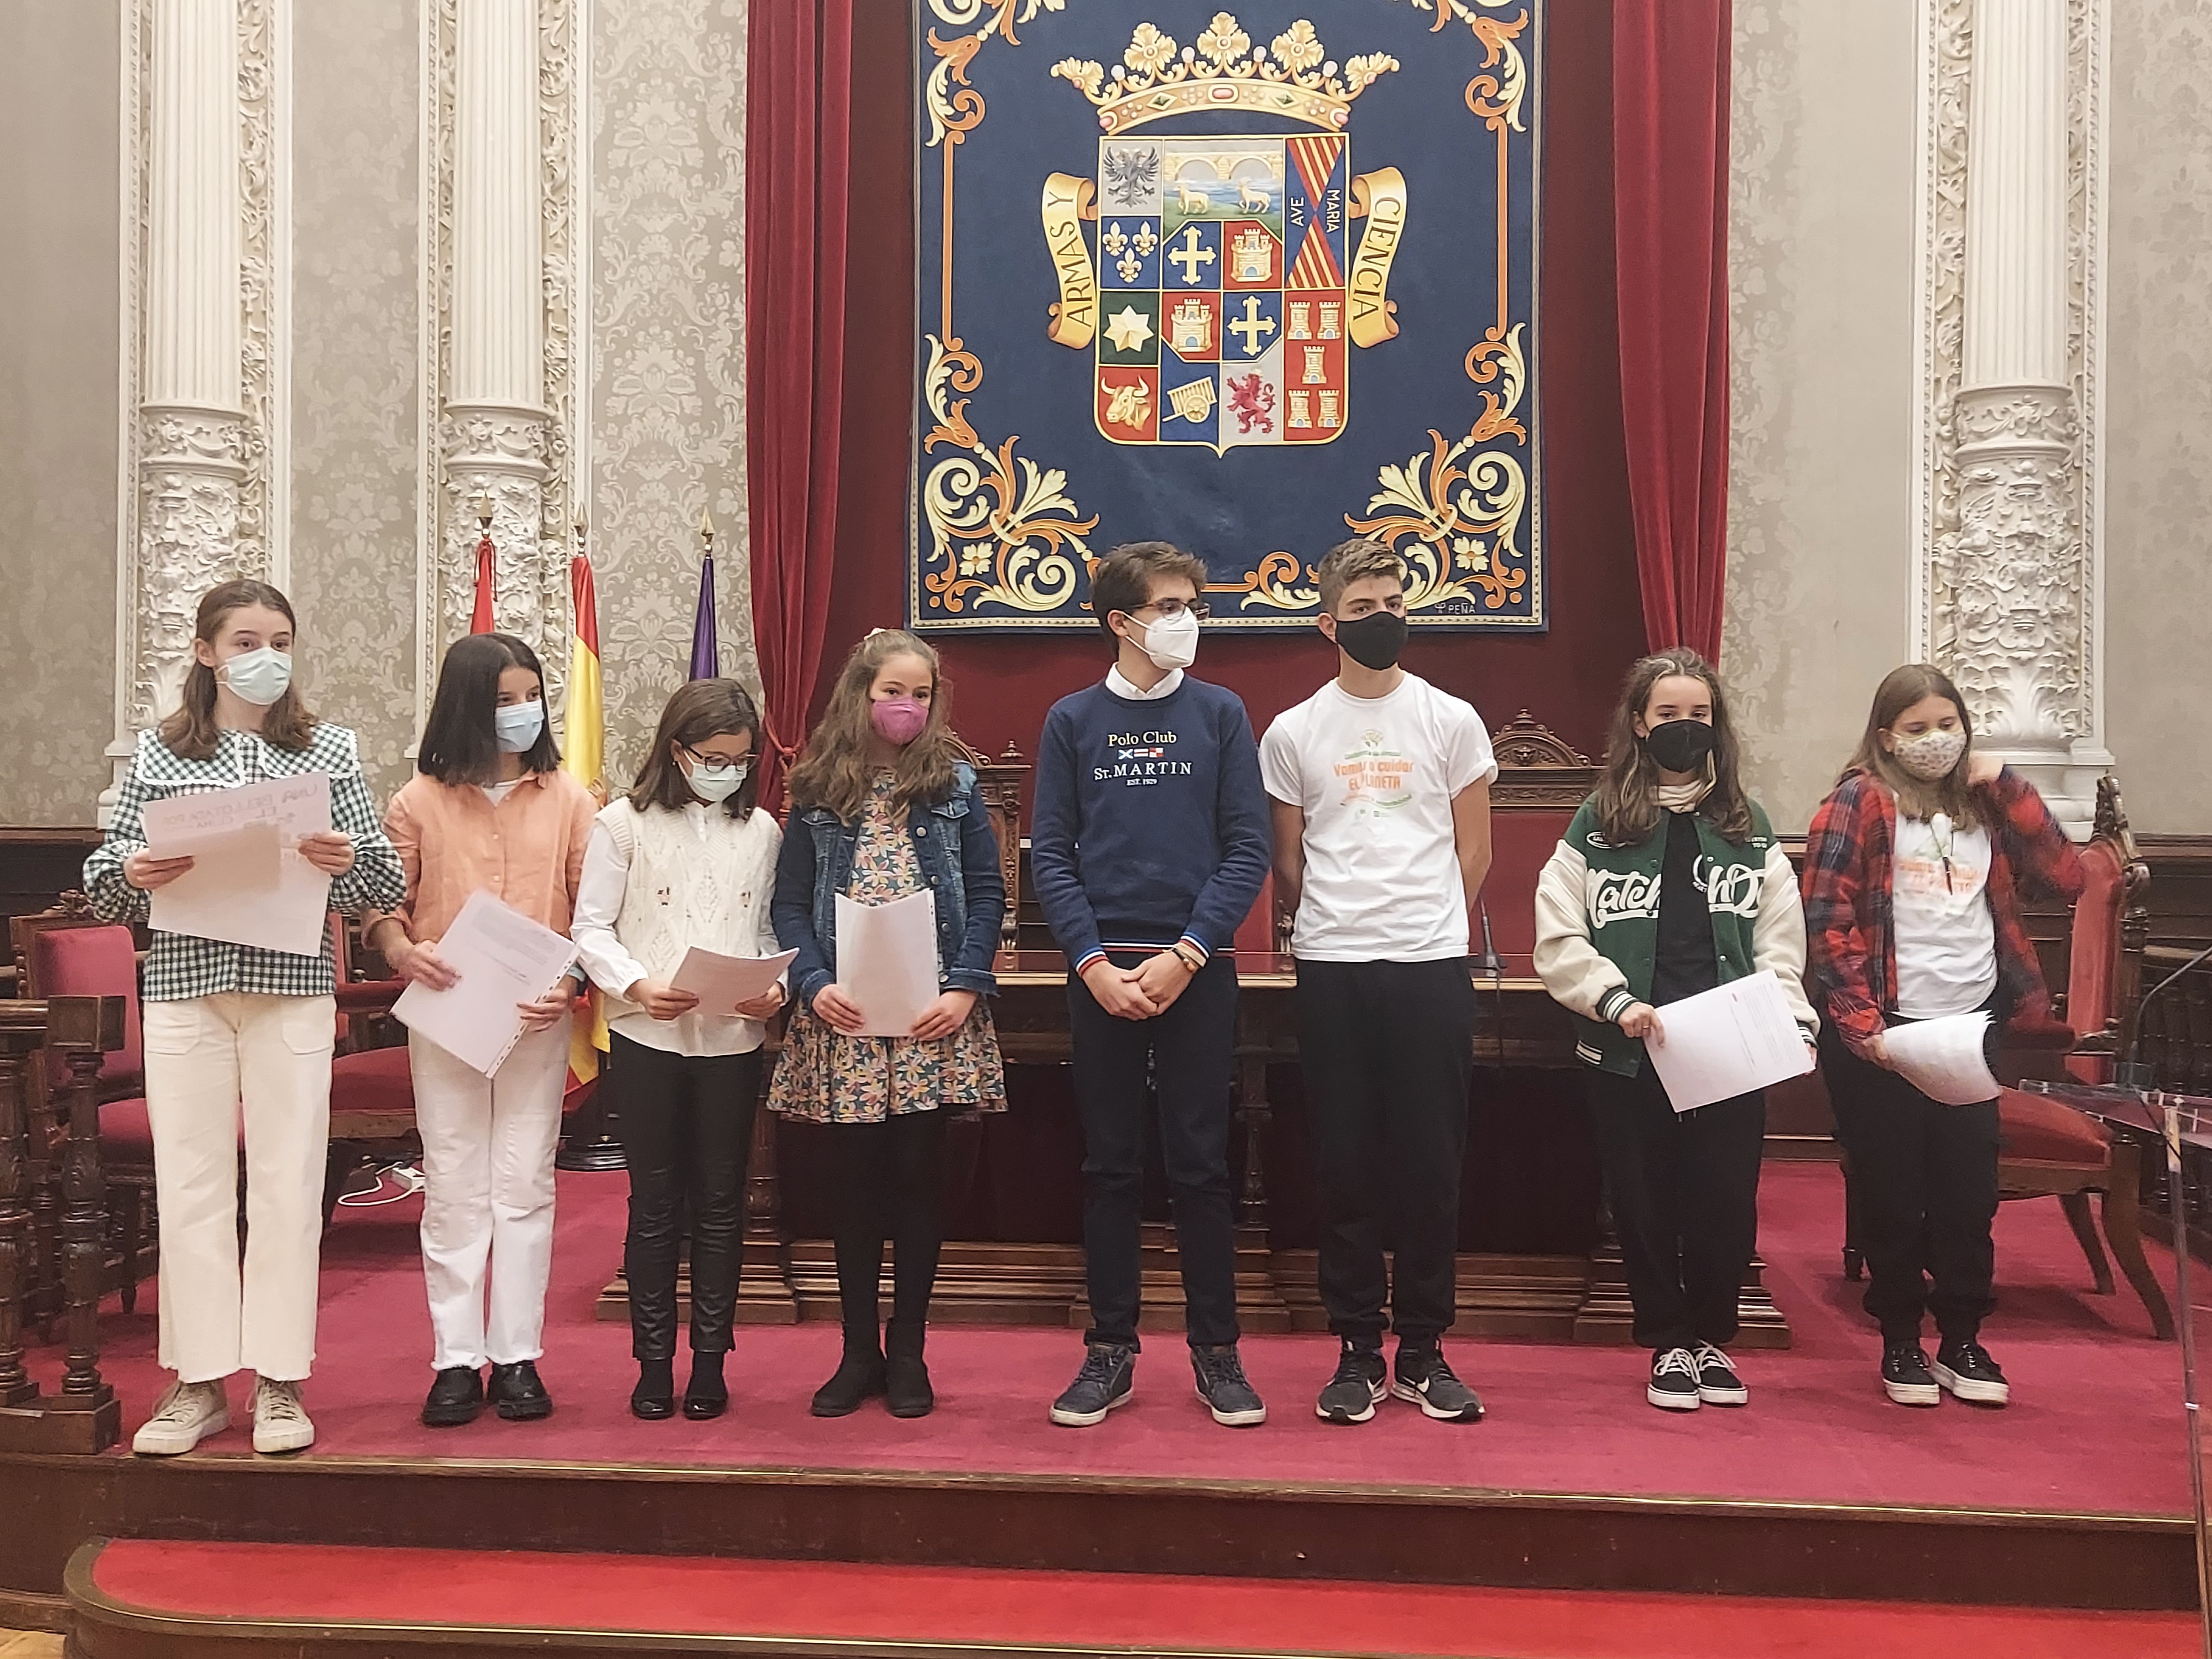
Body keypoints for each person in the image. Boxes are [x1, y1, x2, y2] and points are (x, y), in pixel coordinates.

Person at [86, 579, 404, 1457]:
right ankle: (197, 1383)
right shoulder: (161, 752)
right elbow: (105, 877)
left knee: (288, 1183)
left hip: (289, 984)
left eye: (280, 642)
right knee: (190, 1183)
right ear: (206, 653)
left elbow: (383, 879)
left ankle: (279, 1380)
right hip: (186, 984)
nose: (266, 658)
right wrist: (135, 871)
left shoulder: (327, 748)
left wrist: (345, 857)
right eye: (246, 642)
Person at [1533, 648, 1816, 1412]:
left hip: (1731, 1047)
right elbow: (1559, 933)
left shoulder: (1748, 825)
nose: (1684, 726)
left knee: (1724, 1203)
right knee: (1645, 1204)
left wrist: (1792, 1023)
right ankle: (1667, 1344)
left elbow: (1780, 939)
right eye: (1668, 714)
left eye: (1699, 714)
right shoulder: (1598, 823)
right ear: (1639, 724)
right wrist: (1613, 999)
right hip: (1632, 1045)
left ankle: (1712, 1340)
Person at [1030, 542, 1272, 1429]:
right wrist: (1093, 963)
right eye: (1170, 606)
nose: (1187, 620)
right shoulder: (1072, 720)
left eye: (1193, 605)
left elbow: (1247, 848)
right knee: (1109, 1166)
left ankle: (1218, 1353)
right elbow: (1052, 855)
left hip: (1196, 971)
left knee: (1202, 1166)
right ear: (1120, 622)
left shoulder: (1221, 713)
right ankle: (1110, 1350)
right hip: (1100, 974)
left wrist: (1189, 952)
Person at [1260, 538, 1495, 1426]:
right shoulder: (1293, 731)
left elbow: (1476, 849)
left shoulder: (1451, 719)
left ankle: (1425, 1349)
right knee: (1345, 1164)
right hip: (1334, 965)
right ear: (1329, 624)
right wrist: (1343, 920)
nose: (1383, 619)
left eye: (1394, 603)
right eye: (1362, 609)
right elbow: (1289, 862)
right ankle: (1358, 1347)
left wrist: (1427, 922)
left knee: (1432, 1165)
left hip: (1430, 964)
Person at [1804, 664, 2083, 1409]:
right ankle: (1900, 1339)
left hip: (1970, 1029)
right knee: (1893, 1194)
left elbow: (2068, 877)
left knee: (1968, 1195)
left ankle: (1963, 1337)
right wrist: (1862, 1024)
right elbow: (1827, 919)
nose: (1935, 739)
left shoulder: (1984, 805)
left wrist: (2011, 784)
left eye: (1947, 724)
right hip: (1884, 1032)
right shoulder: (1858, 802)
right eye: (1917, 728)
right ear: (1886, 736)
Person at [769, 629, 1005, 1420]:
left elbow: (987, 892)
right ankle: (857, 1352)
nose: (908, 707)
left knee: (917, 1186)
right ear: (861, 695)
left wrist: (966, 986)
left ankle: (909, 1351)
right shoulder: (816, 789)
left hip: (931, 1018)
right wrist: (812, 983)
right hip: (846, 1017)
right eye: (892, 692)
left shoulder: (955, 785)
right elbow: (789, 904)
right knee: (855, 1192)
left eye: (921, 694)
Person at [364, 633, 597, 1429]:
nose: (521, 712)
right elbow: (385, 906)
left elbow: (591, 912)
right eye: (503, 700)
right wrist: (401, 948)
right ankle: (456, 1359)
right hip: (449, 1013)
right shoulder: (417, 801)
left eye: (531, 696)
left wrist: (571, 982)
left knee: (525, 1184)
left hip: (536, 1020)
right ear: (467, 705)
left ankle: (519, 1355)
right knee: (454, 1183)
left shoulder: (571, 799)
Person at [572, 679, 784, 1422]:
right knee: (656, 1203)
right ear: (677, 750)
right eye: (712, 758)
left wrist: (774, 987)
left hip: (731, 1039)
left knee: (722, 1203)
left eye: (740, 760)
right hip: (648, 1034)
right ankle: (654, 1362)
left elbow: (765, 929)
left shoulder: (761, 830)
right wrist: (636, 983)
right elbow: (591, 927)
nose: (725, 771)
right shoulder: (622, 824)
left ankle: (712, 1361)